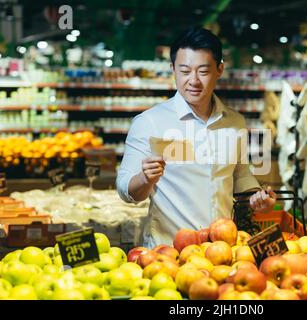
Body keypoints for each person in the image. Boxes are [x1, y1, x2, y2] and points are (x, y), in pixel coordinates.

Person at [116, 27, 276, 248]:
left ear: (219, 69)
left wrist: (257, 196)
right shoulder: (150, 122)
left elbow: (239, 174)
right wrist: (145, 179)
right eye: (184, 71)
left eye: (203, 71)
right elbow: (125, 189)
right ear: (172, 69)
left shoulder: (234, 122)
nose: (193, 80)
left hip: (221, 251)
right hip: (168, 253)